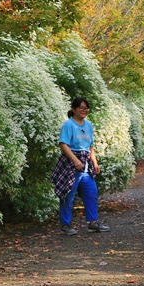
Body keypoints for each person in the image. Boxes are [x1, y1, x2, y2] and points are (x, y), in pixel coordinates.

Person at [50, 97, 110, 235]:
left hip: (86, 166)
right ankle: (65, 225)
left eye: (86, 108)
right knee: (68, 195)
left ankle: (93, 223)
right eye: (81, 108)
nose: (84, 110)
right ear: (74, 109)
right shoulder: (68, 125)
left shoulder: (88, 125)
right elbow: (63, 144)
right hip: (70, 165)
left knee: (91, 193)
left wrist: (94, 162)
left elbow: (90, 147)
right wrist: (75, 161)